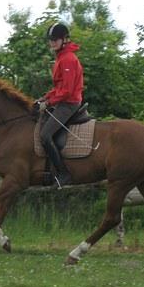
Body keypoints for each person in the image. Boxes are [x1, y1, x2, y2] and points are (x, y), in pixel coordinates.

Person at [35, 22, 84, 188]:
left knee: (45, 135)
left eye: (55, 39)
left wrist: (49, 102)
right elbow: (59, 88)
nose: (52, 43)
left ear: (64, 39)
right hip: (63, 100)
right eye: (51, 40)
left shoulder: (68, 59)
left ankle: (64, 174)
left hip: (69, 104)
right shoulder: (61, 57)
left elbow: (68, 90)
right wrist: (44, 98)